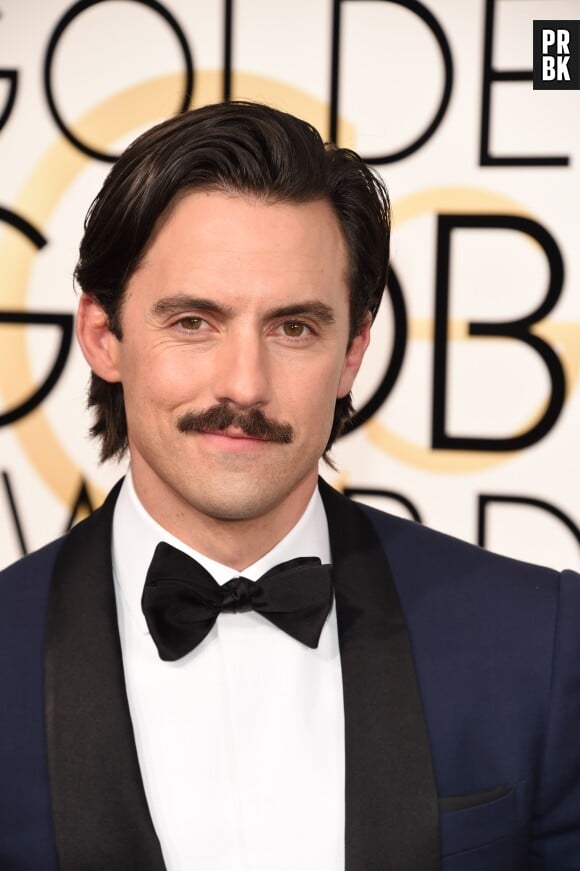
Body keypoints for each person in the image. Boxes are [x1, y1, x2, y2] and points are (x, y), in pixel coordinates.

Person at [0, 101, 579, 871]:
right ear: (105, 336)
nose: (244, 384)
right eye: (194, 322)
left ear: (352, 353)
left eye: (294, 327)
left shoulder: (534, 644)